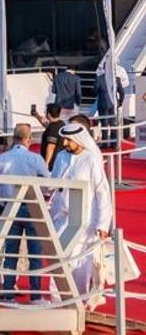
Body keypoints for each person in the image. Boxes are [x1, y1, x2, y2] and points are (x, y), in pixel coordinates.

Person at [49, 122, 115, 300]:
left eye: (69, 140)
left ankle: (80, 302)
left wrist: (102, 223)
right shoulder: (62, 156)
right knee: (59, 259)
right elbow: (53, 183)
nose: (65, 144)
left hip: (86, 222)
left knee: (81, 265)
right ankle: (56, 301)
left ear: (79, 140)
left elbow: (102, 192)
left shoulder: (91, 159)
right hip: (62, 219)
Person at [0, 123, 50, 300]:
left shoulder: (3, 158)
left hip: (10, 207)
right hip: (32, 208)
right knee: (35, 254)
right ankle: (36, 295)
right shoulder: (35, 159)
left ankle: (8, 292)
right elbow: (48, 183)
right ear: (28, 140)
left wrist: (3, 203)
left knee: (10, 253)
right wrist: (44, 197)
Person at [34, 103, 66, 171]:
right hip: (59, 162)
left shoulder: (52, 128)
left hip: (51, 165)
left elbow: (51, 147)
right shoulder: (61, 124)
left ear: (48, 114)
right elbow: (47, 126)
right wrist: (37, 115)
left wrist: (46, 164)